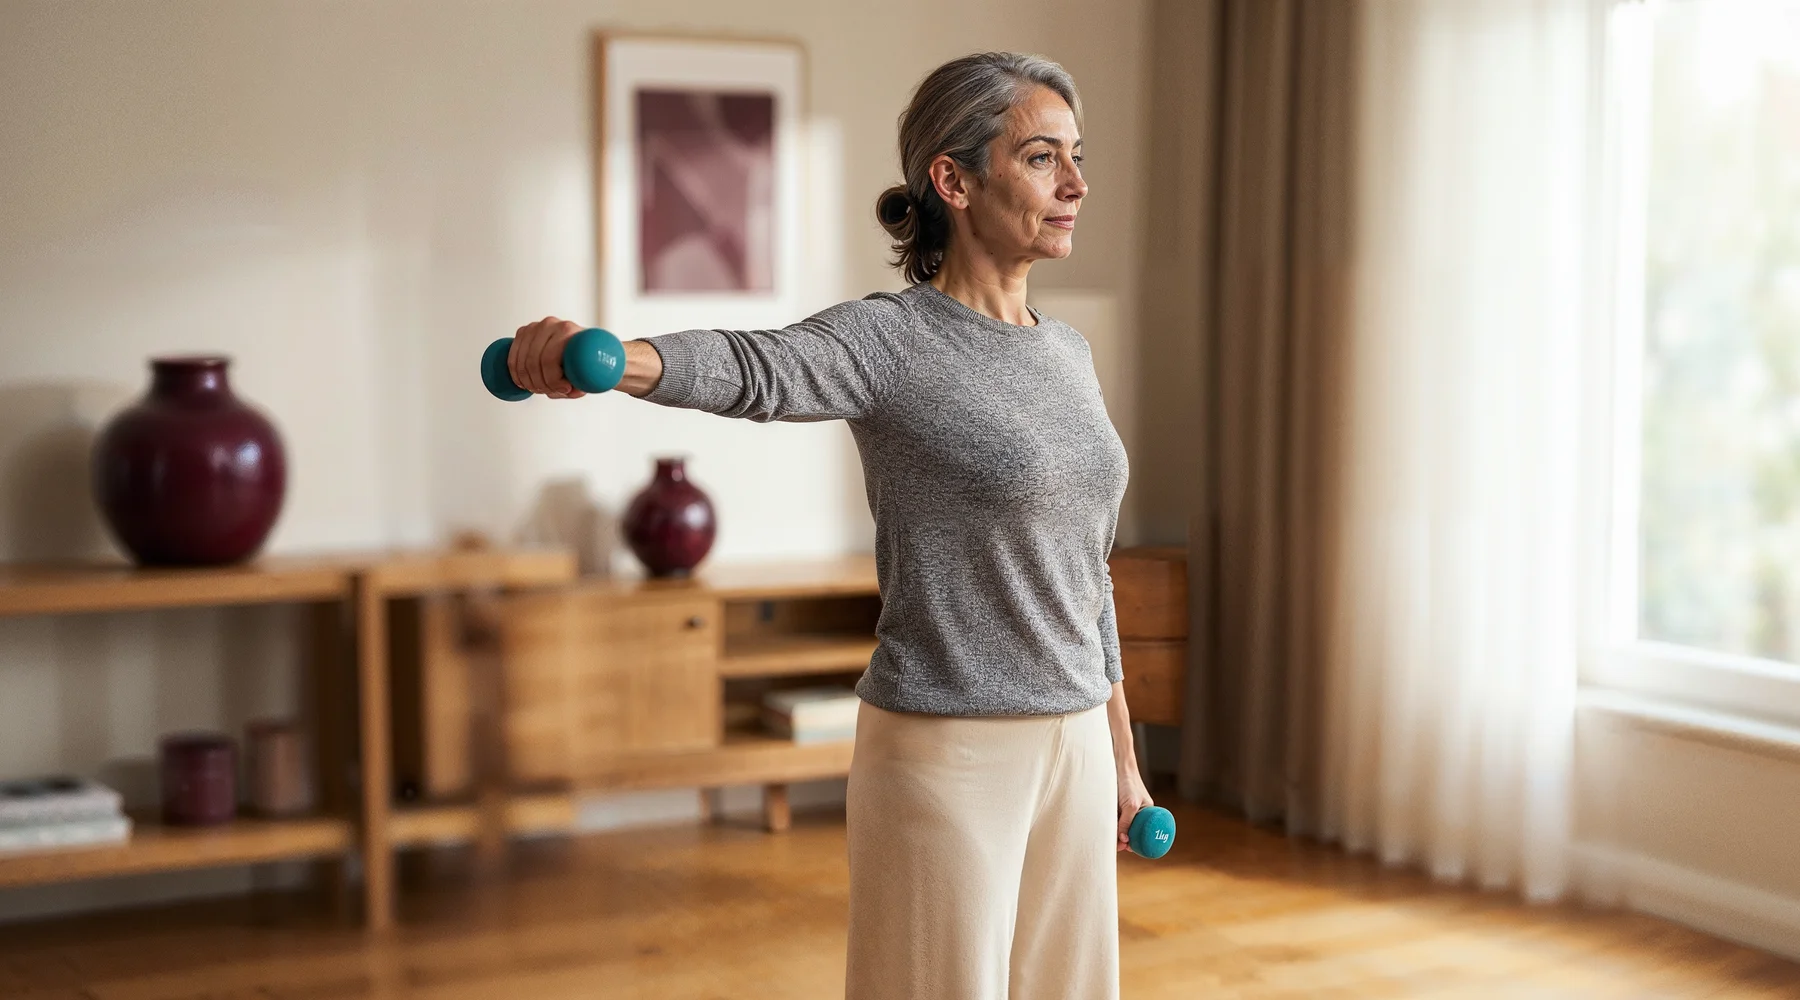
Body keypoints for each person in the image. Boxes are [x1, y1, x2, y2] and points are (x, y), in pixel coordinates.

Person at [505, 50, 1151, 1000]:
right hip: (949, 748)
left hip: (1077, 748)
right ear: (954, 180)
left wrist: (1121, 759)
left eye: (1077, 157)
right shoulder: (893, 341)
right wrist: (606, 358)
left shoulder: (1069, 353)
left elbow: (1086, 570)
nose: (1077, 185)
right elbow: (760, 367)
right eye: (1043, 158)